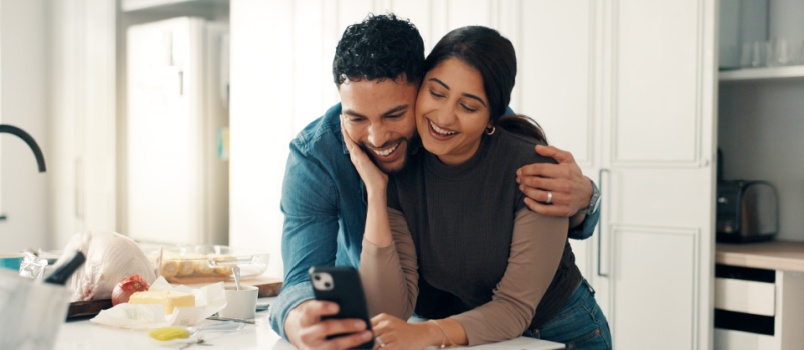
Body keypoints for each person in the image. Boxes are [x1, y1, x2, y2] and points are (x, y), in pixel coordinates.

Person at [269, 14, 602, 349]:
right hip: (433, 327)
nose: (377, 137)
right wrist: (298, 320)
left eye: (395, 115)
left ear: (419, 87)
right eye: (356, 118)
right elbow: (303, 279)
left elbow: (535, 192)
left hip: (542, 328)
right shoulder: (317, 156)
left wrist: (587, 198)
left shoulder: (480, 124)